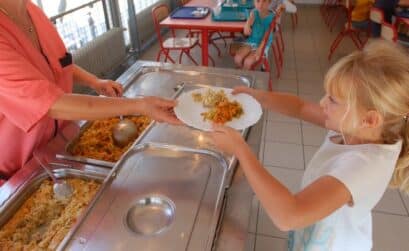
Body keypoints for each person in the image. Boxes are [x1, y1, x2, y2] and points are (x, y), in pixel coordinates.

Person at [209, 40, 409, 250]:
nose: (322, 103)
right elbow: (301, 107)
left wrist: (241, 149)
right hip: (320, 231)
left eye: (332, 100)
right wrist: (260, 98)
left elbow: (288, 216)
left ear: (369, 119)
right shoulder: (354, 128)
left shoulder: (364, 165)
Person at [0, 0, 180, 184]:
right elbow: (49, 104)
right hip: (17, 172)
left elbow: (60, 64)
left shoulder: (32, 11)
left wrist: (94, 81)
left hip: (61, 145)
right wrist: (139, 106)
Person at [234, 0, 275, 70]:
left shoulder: (271, 18)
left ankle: (244, 77)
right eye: (258, 1)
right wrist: (247, 25)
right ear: (254, 1)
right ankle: (241, 74)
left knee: (248, 62)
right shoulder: (254, 12)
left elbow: (265, 38)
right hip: (251, 41)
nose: (260, 4)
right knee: (237, 59)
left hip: (263, 44)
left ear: (269, 2)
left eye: (264, 1)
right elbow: (250, 19)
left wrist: (260, 49)